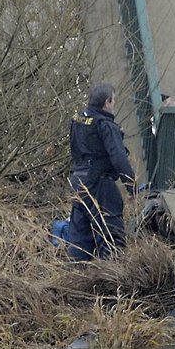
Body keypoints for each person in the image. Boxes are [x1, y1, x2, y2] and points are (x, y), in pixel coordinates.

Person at [67, 82, 136, 261]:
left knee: (80, 232)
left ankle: (77, 274)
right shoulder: (105, 125)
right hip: (99, 182)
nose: (113, 106)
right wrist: (131, 185)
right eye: (113, 101)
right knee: (110, 230)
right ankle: (111, 276)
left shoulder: (78, 119)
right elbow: (118, 157)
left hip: (77, 179)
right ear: (107, 102)